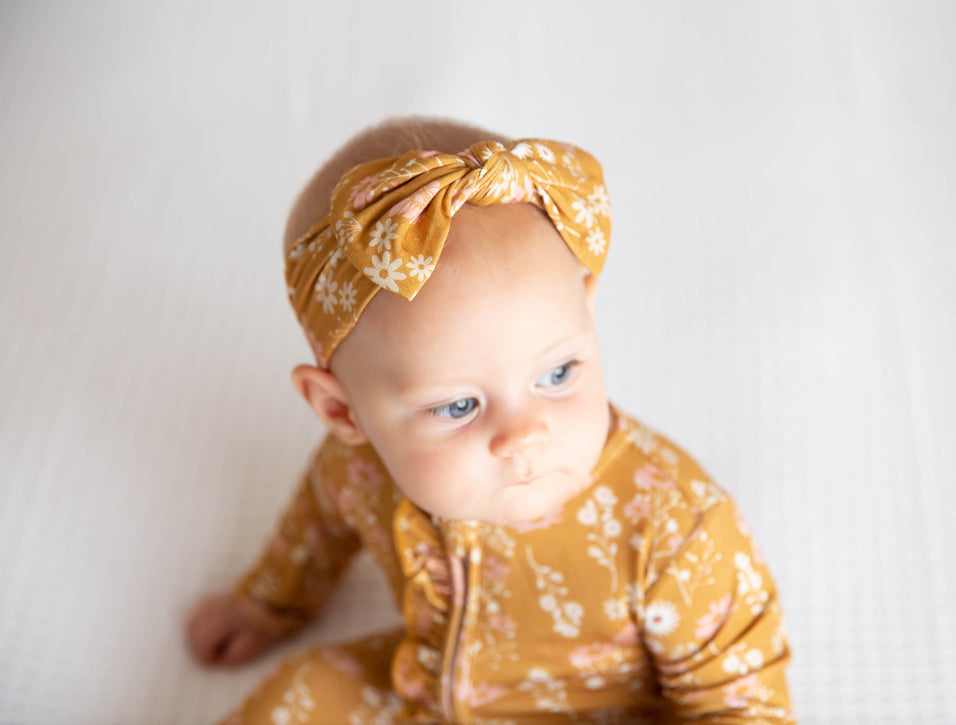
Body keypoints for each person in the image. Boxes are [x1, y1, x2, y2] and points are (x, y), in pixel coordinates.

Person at [187, 117, 795, 724]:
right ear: (343, 411)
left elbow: (743, 701)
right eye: (458, 406)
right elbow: (317, 524)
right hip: (430, 693)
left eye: (557, 373)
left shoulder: (673, 527)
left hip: (607, 712)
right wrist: (266, 604)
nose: (525, 436)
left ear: (586, 314)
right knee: (306, 688)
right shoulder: (358, 466)